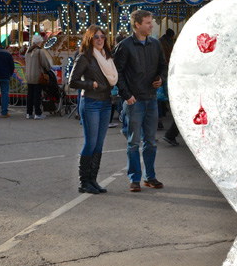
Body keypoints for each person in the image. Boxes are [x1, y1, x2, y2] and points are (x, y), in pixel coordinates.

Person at [114, 10, 168, 192]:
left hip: (151, 99)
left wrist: (160, 78)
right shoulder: (125, 46)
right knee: (134, 142)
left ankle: (150, 177)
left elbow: (163, 65)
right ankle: (135, 178)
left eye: (151, 22)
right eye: (147, 22)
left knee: (151, 141)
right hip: (134, 101)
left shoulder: (155, 44)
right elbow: (118, 73)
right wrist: (127, 95)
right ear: (137, 24)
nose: (151, 25)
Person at [68, 25, 117, 194]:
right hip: (90, 102)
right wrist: (91, 84)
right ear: (90, 39)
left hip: (105, 103)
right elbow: (72, 81)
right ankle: (84, 182)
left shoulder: (107, 57)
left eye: (102, 36)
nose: (100, 39)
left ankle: (93, 180)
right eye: (96, 37)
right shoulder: (84, 58)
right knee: (90, 143)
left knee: (99, 144)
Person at [25, 34, 51, 120]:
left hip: (29, 76)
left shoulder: (28, 51)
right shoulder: (40, 52)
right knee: (37, 95)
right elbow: (46, 64)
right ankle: (37, 113)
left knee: (30, 95)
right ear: (39, 42)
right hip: (37, 76)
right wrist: (48, 69)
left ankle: (29, 113)